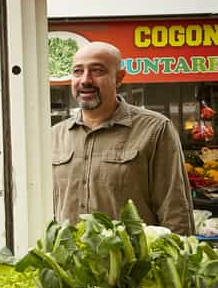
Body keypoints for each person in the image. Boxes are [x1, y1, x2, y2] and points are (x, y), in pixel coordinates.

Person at [51, 41, 194, 234]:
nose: (85, 80)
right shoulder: (55, 135)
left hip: (132, 263)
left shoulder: (155, 129)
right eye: (78, 71)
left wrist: (177, 259)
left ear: (119, 78)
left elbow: (175, 208)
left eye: (97, 71)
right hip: (68, 262)